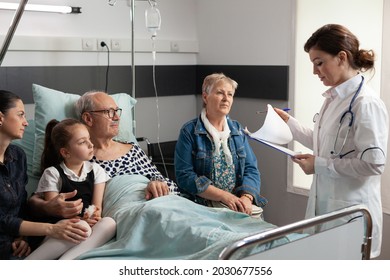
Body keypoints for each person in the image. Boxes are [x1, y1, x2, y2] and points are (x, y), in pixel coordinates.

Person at [274, 24, 389, 258]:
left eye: (319, 62)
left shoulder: (365, 103)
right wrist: (290, 123)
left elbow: (374, 164)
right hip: (328, 211)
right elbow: (326, 147)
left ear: (342, 57)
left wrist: (318, 165)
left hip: (350, 215)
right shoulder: (334, 98)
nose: (315, 72)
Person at [28, 91, 180, 220]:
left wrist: (157, 183)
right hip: (127, 215)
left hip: (159, 204)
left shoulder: (133, 149)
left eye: (117, 111)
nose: (117, 117)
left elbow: (168, 184)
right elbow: (37, 199)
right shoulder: (77, 158)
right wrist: (48, 207)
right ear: (88, 118)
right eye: (110, 112)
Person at [0, 90, 89, 260]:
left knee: (78, 227)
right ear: (0, 118)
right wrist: (50, 229)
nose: (26, 122)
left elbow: (21, 206)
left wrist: (22, 237)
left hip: (19, 243)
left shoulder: (18, 156)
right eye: (20, 115)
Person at [174, 73, 268, 216]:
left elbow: (251, 169)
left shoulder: (236, 130)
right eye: (220, 93)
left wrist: (247, 197)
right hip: (202, 206)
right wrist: (224, 196)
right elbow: (185, 176)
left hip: (236, 204)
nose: (226, 99)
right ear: (205, 97)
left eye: (230, 94)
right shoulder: (189, 132)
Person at [25, 119, 116, 260]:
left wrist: (93, 216)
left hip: (84, 228)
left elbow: (96, 206)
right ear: (66, 152)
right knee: (81, 226)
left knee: (109, 223)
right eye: (82, 142)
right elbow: (54, 211)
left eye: (89, 139)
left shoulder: (96, 170)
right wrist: (81, 220)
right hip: (58, 228)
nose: (91, 145)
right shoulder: (53, 173)